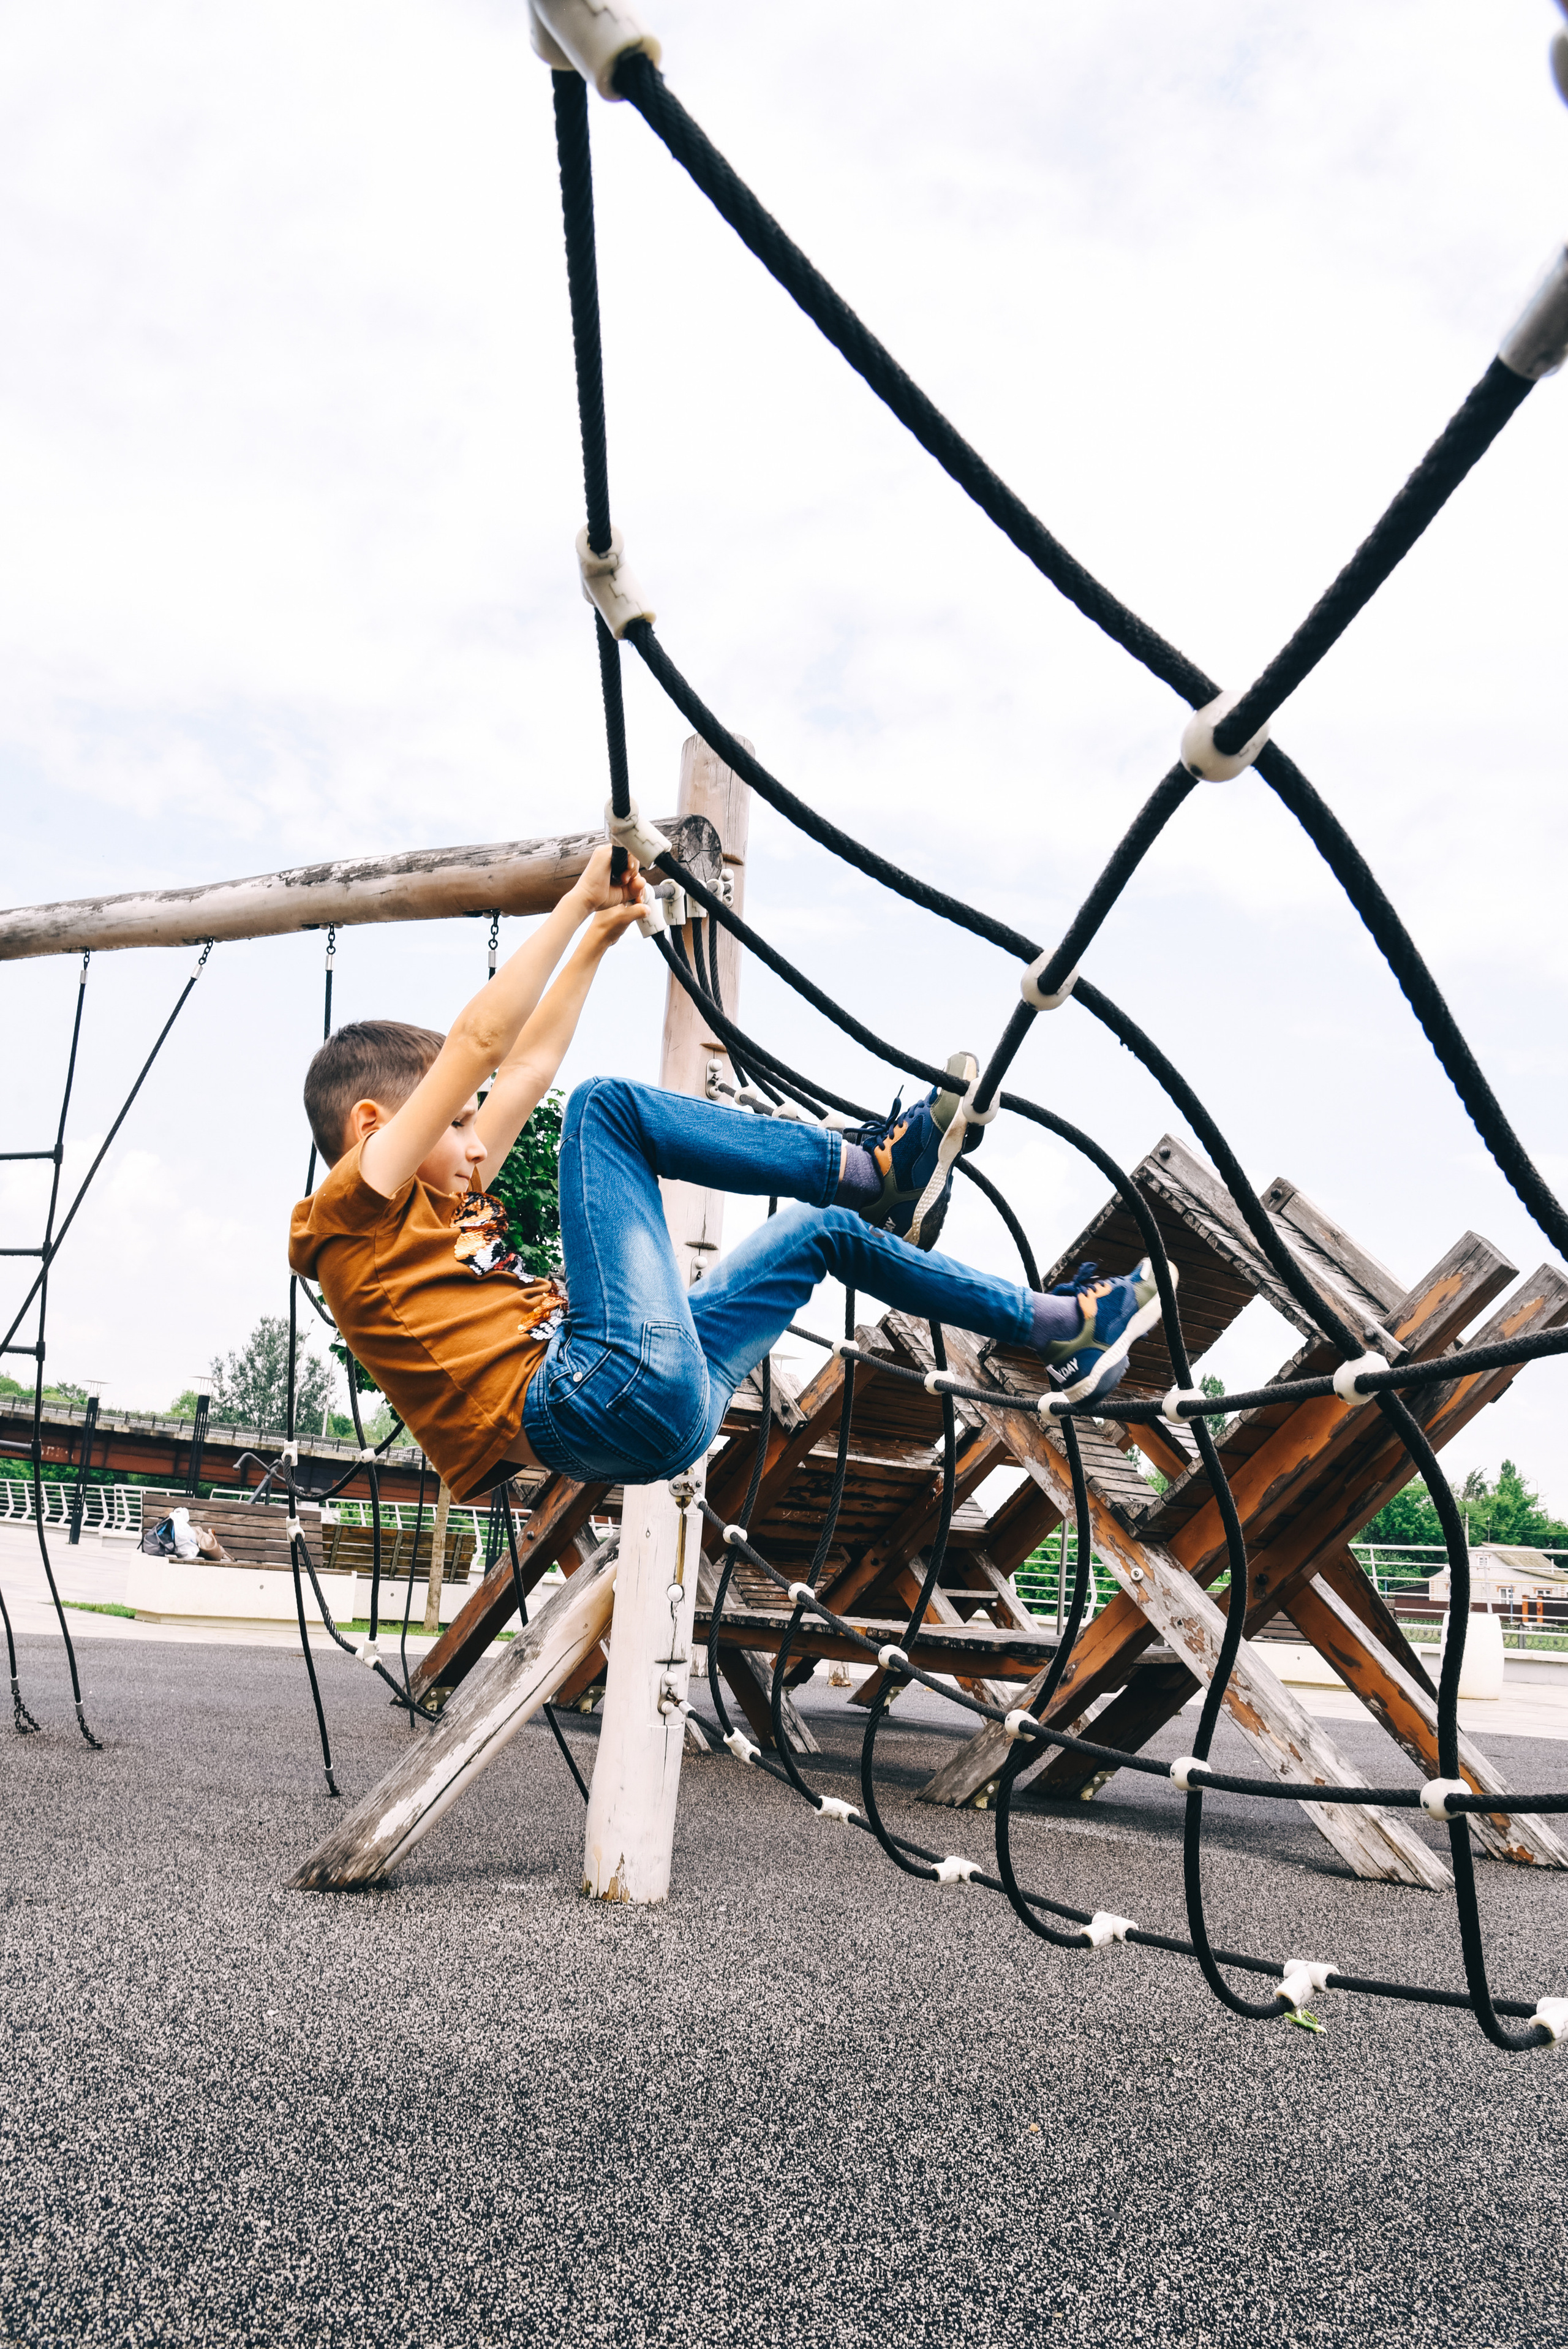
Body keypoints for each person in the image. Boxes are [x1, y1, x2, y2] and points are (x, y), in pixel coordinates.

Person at [288, 845, 1168, 1503]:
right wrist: (570, 901)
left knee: (815, 1235)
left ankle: (1063, 1327)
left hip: (666, 1418)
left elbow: (520, 1068)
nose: (481, 1143)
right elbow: (484, 1043)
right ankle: (877, 1170)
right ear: (377, 1128)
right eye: (456, 1120)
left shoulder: (444, 1198)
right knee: (603, 1109)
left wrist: (597, 936)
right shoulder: (354, 1212)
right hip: (591, 1395)